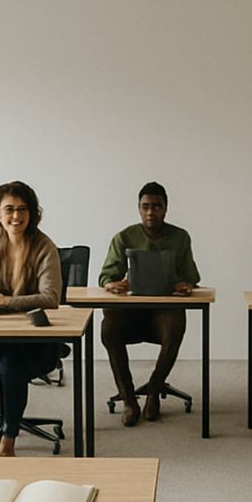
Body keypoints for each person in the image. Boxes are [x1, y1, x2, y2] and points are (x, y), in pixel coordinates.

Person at [0, 181, 63, 458]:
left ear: (32, 214)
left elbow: (51, 296)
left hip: (33, 342)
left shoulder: (44, 246)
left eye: (22, 209)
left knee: (11, 360)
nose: (16, 216)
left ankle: (8, 441)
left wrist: (7, 302)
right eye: (9, 209)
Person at [98, 182, 201, 426]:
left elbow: (191, 276)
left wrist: (185, 285)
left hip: (163, 312)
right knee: (108, 327)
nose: (150, 212)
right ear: (138, 208)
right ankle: (129, 400)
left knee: (177, 322)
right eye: (145, 207)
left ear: (165, 209)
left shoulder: (180, 237)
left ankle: (154, 390)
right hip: (130, 313)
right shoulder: (124, 237)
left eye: (156, 206)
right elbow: (105, 276)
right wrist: (112, 284)